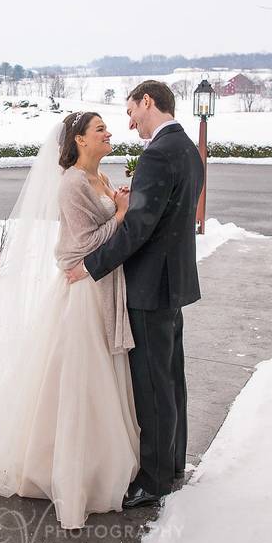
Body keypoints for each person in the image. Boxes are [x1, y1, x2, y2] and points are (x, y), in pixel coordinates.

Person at [0, 111, 140, 529]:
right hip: (82, 295)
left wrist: (118, 203)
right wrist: (119, 215)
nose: (109, 133)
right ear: (79, 140)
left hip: (102, 287)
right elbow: (81, 244)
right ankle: (70, 470)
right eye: (100, 130)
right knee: (80, 379)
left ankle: (104, 460)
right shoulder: (73, 183)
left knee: (101, 378)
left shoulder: (101, 178)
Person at [65, 80, 204, 508]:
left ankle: (155, 479)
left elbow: (140, 228)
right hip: (174, 281)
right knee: (171, 377)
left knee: (152, 383)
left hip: (149, 285)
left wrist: (90, 266)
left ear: (149, 102)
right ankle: (173, 461)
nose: (129, 122)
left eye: (132, 111)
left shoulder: (159, 154)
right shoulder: (188, 149)